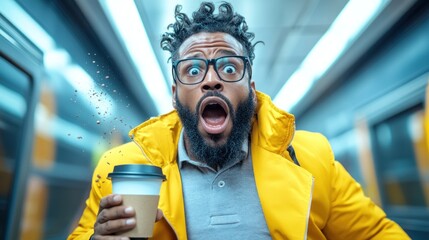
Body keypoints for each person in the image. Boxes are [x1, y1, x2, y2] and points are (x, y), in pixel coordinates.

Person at [68, 2, 410, 239]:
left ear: (251, 88)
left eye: (229, 68)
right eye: (193, 69)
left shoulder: (310, 158)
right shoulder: (125, 167)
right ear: (175, 95)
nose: (212, 80)